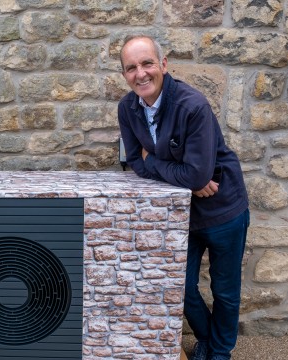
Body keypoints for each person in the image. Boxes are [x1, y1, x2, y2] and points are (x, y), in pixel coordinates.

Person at [117, 35, 250, 360]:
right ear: (125, 74)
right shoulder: (128, 108)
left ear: (163, 64)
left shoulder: (192, 106)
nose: (140, 73)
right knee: (182, 286)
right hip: (181, 215)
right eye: (131, 67)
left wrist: (156, 162)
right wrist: (185, 176)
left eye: (147, 63)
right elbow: (136, 161)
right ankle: (206, 337)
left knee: (225, 291)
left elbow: (196, 175)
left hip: (223, 209)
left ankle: (220, 353)